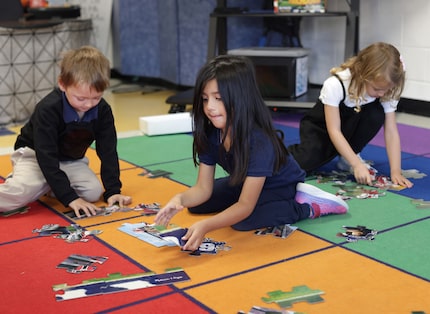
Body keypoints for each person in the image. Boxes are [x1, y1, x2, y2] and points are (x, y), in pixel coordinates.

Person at [155, 55, 348, 251]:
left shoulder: (259, 140)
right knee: (196, 205)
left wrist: (207, 226)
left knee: (243, 221)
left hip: (279, 185)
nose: (209, 107)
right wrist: (179, 199)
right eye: (205, 99)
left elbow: (245, 206)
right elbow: (202, 189)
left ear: (240, 98)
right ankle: (247, 204)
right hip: (245, 181)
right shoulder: (212, 132)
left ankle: (306, 206)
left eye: (218, 98)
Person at [0, 46, 132, 218]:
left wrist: (113, 190)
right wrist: (70, 198)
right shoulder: (48, 109)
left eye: (96, 98)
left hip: (69, 160)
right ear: (62, 84)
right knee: (18, 195)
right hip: (35, 156)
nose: (88, 105)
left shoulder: (102, 110)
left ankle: (49, 184)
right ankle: (35, 181)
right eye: (81, 98)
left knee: (92, 192)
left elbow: (107, 151)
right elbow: (46, 156)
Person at [288, 42, 413, 188]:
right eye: (377, 89)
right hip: (322, 130)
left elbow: (391, 132)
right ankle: (279, 155)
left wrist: (396, 171)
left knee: (376, 114)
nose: (382, 94)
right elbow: (334, 130)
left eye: (387, 89)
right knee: (305, 162)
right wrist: (357, 164)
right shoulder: (336, 84)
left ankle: (349, 155)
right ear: (363, 75)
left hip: (350, 128)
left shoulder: (386, 90)